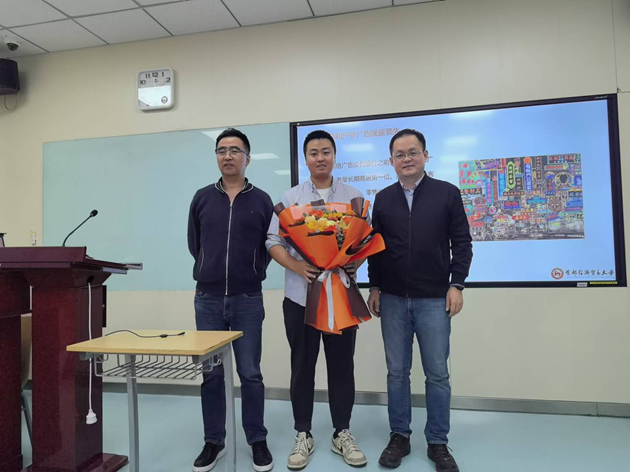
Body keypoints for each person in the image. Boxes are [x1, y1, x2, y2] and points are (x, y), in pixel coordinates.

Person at [367, 129, 473, 472]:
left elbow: (462, 243)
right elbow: (375, 250)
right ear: (391, 161)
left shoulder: (447, 193)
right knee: (397, 373)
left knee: (437, 374)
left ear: (426, 155)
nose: (407, 159)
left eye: (413, 152)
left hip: (434, 299)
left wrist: (456, 284)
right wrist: (375, 287)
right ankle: (399, 435)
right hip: (393, 300)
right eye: (399, 155)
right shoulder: (383, 199)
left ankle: (438, 441)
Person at [266, 130, 368, 470]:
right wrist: (297, 266)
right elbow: (273, 241)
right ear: (306, 158)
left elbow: (364, 240)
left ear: (334, 156)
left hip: (341, 295)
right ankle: (303, 433)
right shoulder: (290, 197)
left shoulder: (354, 197)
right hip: (300, 297)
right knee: (302, 366)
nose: (320, 157)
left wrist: (354, 262)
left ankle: (342, 432)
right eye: (313, 152)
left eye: (326, 151)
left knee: (342, 367)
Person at [188, 128, 274, 472]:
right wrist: (209, 270)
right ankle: (214, 440)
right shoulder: (202, 198)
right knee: (211, 374)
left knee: (250, 373)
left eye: (235, 150)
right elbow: (195, 244)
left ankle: (257, 439)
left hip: (247, 299)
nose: (227, 155)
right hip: (207, 299)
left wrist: (251, 272)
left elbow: (269, 248)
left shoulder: (262, 200)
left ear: (247, 158)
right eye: (221, 150)